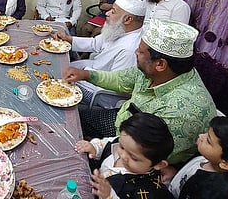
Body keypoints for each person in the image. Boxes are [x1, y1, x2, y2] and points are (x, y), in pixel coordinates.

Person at [63, 19, 217, 165]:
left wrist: (98, 148)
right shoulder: (157, 70)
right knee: (72, 119)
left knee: (76, 160)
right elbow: (122, 79)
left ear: (161, 64)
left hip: (140, 156)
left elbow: (144, 155)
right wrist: (87, 75)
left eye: (141, 51)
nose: (136, 52)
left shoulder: (183, 111)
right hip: (123, 119)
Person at [56, 0, 145, 108]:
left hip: (100, 92)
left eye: (113, 11)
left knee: (57, 81)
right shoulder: (120, 29)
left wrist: (85, 74)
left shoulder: (131, 49)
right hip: (93, 68)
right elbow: (95, 43)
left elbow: (116, 84)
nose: (107, 13)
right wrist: (69, 39)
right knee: (58, 67)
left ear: (127, 19)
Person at [75, 113, 174, 199]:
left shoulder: (147, 192)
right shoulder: (127, 142)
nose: (123, 156)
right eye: (121, 147)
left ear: (159, 165)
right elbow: (106, 143)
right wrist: (94, 147)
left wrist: (109, 195)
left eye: (134, 158)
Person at [169, 116, 228, 198]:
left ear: (226, 164)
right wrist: (174, 170)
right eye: (206, 133)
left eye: (208, 141)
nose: (201, 136)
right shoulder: (208, 156)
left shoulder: (211, 191)